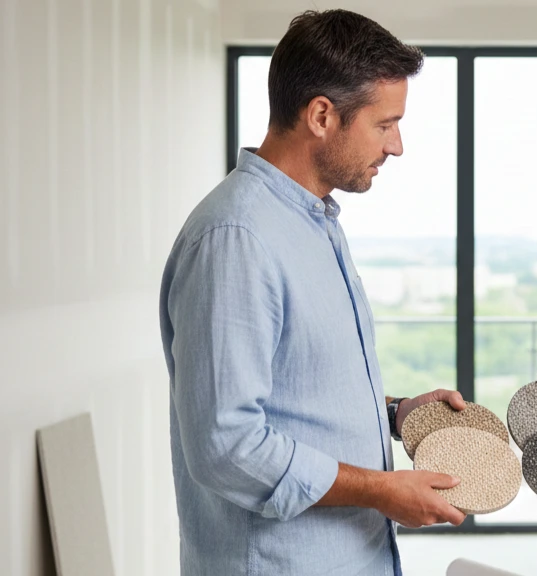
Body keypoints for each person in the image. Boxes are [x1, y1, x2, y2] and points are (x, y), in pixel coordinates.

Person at [159, 9, 466, 576]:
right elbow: (228, 444)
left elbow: (296, 396)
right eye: (385, 124)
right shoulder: (237, 238)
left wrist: (397, 415)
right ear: (322, 115)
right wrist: (381, 489)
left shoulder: (314, 221)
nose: (397, 145)